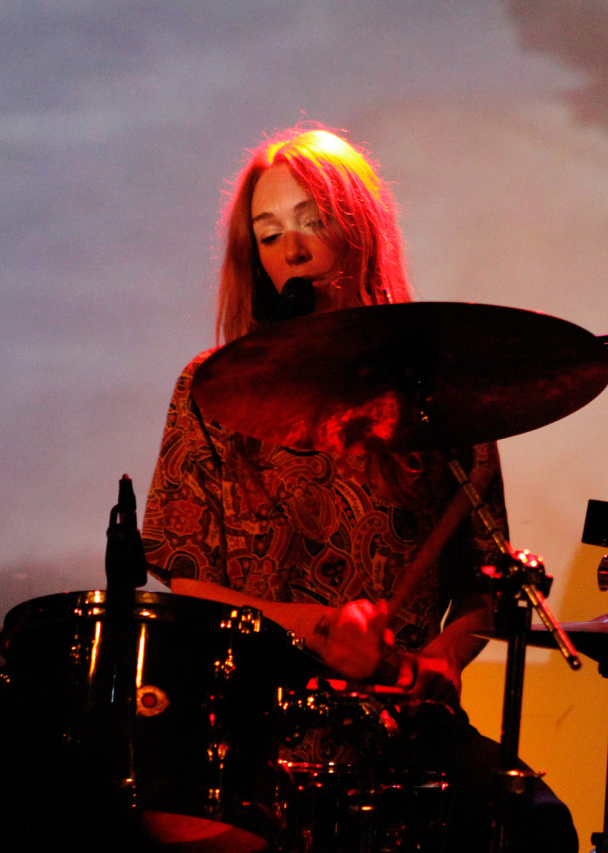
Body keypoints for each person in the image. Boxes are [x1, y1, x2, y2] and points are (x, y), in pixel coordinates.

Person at [141, 124, 577, 853]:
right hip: (253, 717)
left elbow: (477, 590)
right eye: (270, 231)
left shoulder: (438, 390)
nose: (294, 250)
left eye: (313, 222)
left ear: (358, 233)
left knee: (536, 822)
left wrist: (438, 658)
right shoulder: (207, 389)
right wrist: (311, 624)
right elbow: (188, 581)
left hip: (394, 717)